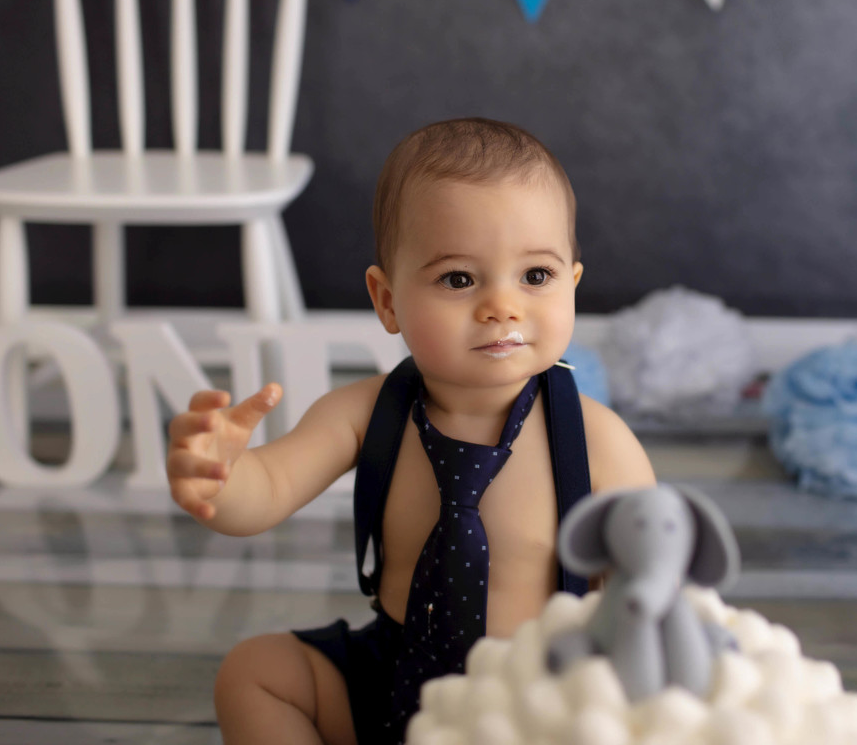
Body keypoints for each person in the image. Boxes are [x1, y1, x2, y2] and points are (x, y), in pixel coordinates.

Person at [166, 118, 656, 745]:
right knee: (255, 673)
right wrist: (221, 477)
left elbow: (648, 587)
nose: (502, 307)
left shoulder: (598, 442)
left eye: (536, 276)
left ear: (573, 283)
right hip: (393, 672)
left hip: (533, 695)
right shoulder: (364, 412)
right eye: (459, 279)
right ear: (388, 300)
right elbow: (267, 490)